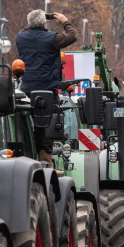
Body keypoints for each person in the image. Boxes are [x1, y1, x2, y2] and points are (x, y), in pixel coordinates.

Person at [16, 9, 77, 166]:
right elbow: (72, 36)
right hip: (47, 90)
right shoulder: (53, 39)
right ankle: (46, 163)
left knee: (28, 125)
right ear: (44, 23)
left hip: (27, 89)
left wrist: (37, 22)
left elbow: (26, 30)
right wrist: (65, 21)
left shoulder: (20, 37)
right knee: (46, 128)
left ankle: (27, 158)